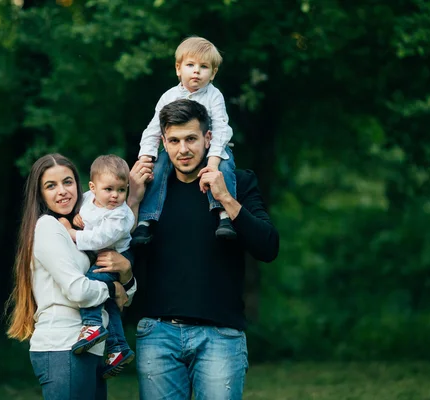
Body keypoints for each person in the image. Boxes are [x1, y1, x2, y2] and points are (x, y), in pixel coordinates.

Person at [127, 99, 280, 400]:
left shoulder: (239, 182)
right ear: (163, 142)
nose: (182, 149)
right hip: (158, 334)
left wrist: (226, 199)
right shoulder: (148, 191)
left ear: (208, 139)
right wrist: (132, 200)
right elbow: (123, 252)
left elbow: (268, 247)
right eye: (174, 140)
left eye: (191, 139)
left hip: (220, 336)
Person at [6, 153, 137, 400]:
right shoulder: (48, 227)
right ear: (40, 194)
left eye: (67, 182)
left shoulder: (87, 229)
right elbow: (78, 291)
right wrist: (113, 290)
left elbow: (124, 299)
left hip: (92, 349)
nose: (62, 191)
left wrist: (126, 274)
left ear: (79, 185)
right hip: (63, 347)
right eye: (51, 186)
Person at [133, 36, 237, 245]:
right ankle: (146, 220)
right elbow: (153, 129)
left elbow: (222, 129)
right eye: (190, 65)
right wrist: (146, 156)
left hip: (213, 148)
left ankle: (224, 215)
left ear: (213, 73)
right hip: (172, 152)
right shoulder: (169, 96)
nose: (196, 71)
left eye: (204, 66)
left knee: (224, 169)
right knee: (157, 168)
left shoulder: (214, 96)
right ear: (178, 69)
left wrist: (214, 160)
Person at [60, 154, 136, 379]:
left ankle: (92, 325)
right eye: (109, 189)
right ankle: (118, 347)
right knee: (108, 302)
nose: (115, 196)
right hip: (101, 256)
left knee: (92, 282)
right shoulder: (86, 199)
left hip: (114, 258)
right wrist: (74, 218)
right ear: (93, 187)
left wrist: (74, 234)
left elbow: (100, 239)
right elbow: (80, 213)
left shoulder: (120, 215)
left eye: (122, 190)